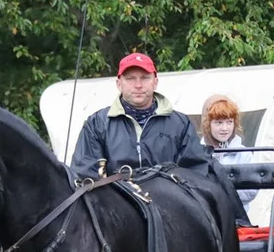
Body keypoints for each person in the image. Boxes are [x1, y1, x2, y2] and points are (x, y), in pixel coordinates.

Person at [70, 52, 250, 224]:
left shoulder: (179, 123)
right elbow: (85, 175)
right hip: (115, 218)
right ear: (119, 84)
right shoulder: (97, 124)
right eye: (130, 78)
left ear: (155, 82)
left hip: (172, 215)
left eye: (145, 78)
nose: (138, 85)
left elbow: (196, 173)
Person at [200, 94, 258, 209]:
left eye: (229, 122)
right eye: (218, 122)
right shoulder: (197, 154)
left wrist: (219, 195)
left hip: (237, 217)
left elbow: (251, 191)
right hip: (206, 218)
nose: (225, 128)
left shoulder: (243, 154)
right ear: (207, 124)